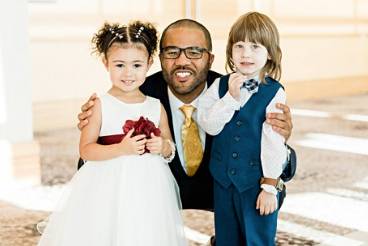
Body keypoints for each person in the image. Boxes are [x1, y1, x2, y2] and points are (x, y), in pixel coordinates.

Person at [78, 18, 296, 245]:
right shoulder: (137, 94)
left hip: (224, 185)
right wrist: (98, 129)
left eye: (194, 52)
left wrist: (282, 137)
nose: (182, 61)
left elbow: (272, 149)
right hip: (154, 190)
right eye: (172, 52)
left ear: (210, 58)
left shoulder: (232, 88)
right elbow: (91, 158)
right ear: (159, 59)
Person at [38, 21, 187, 246]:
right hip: (108, 182)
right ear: (106, 63)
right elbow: (86, 149)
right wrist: (121, 149)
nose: (128, 73)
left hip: (149, 183)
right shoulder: (100, 104)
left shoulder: (155, 105)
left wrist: (162, 146)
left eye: (136, 65)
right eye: (119, 65)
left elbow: (169, 146)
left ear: (148, 63)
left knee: (145, 229)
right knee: (107, 229)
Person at [197, 12, 288, 245]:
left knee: (257, 237)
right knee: (227, 238)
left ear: (269, 53)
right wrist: (229, 98)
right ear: (230, 51)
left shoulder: (274, 92)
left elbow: (273, 140)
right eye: (239, 46)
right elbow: (209, 125)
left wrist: (269, 186)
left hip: (255, 183)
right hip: (223, 181)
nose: (246, 53)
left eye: (255, 46)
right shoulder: (220, 85)